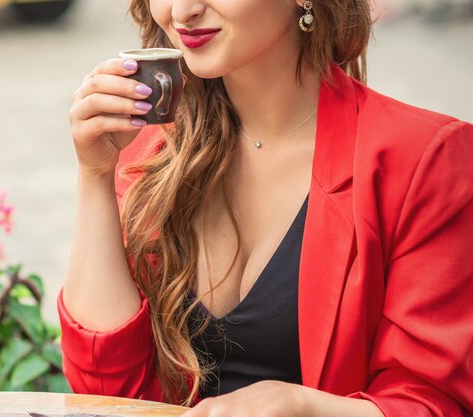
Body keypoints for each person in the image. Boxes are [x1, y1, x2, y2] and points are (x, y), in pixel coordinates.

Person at [59, 0, 473, 416]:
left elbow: (434, 402)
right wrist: (95, 174)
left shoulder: (424, 160)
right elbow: (105, 392)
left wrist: (304, 407)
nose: (182, 11)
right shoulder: (149, 155)